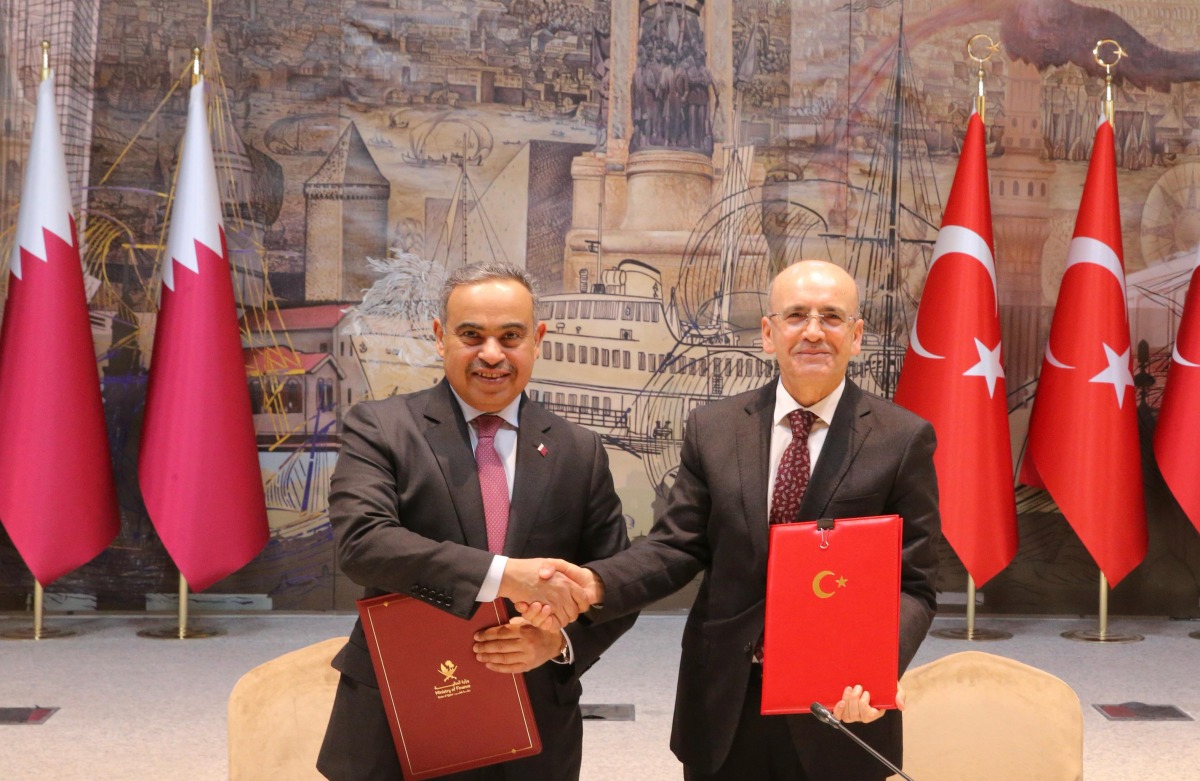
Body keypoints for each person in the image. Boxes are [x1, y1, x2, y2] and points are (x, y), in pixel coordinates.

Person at [527, 260, 940, 780]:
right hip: (724, 697)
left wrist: (871, 671)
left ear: (856, 337)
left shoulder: (903, 440)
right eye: (796, 316)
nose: (813, 331)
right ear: (768, 333)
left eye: (832, 317)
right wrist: (595, 582)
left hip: (840, 704)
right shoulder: (713, 428)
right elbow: (677, 546)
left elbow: (915, 585)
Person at [317, 262, 635, 781]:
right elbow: (363, 542)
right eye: (472, 335)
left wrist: (558, 643)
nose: (492, 354)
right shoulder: (381, 427)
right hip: (400, 714)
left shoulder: (579, 450)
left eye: (510, 336)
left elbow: (615, 582)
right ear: (441, 338)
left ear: (538, 340)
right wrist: (507, 575)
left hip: (533, 722)